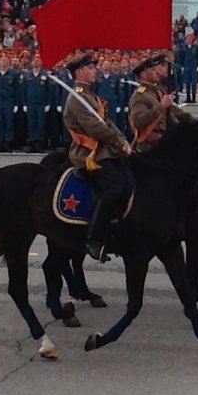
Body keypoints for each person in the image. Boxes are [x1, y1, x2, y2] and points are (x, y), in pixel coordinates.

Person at [63, 52, 133, 263]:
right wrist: (118, 143)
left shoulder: (89, 96)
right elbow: (94, 128)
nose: (95, 71)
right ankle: (93, 239)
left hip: (105, 151)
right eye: (91, 68)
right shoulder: (76, 98)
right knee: (114, 188)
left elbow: (107, 123)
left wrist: (124, 141)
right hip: (88, 155)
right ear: (79, 72)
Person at [127, 52, 188, 150]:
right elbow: (138, 121)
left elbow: (174, 111)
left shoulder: (157, 91)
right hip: (150, 147)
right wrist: (161, 106)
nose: (156, 72)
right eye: (152, 69)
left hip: (166, 141)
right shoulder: (139, 96)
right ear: (143, 74)